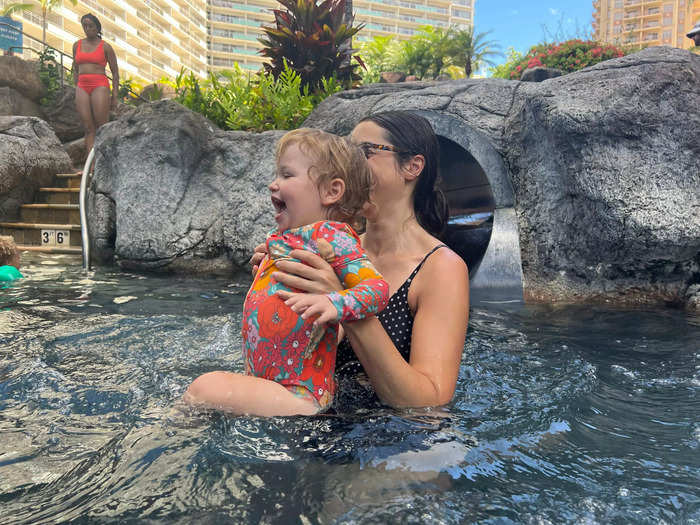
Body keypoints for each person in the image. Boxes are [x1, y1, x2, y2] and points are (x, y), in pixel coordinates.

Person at [253, 111, 469, 409]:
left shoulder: (441, 268)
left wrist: (344, 304)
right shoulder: (335, 249)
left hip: (389, 440)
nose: (348, 162)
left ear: (412, 166)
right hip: (316, 418)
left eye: (362, 152)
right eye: (346, 150)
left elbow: (428, 403)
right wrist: (274, 284)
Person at [185, 128, 389, 416]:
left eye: (286, 175)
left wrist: (334, 301)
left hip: (299, 394)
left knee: (204, 388)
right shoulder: (289, 238)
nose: (273, 184)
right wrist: (264, 273)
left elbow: (378, 290)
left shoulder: (332, 238)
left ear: (332, 191)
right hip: (271, 383)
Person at [72, 13, 119, 155]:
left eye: (90, 26)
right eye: (84, 26)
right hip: (82, 86)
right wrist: (76, 86)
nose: (87, 29)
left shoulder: (106, 47)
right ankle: (89, 166)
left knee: (102, 126)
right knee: (88, 128)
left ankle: (104, 161)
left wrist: (115, 96)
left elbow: (115, 73)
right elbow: (75, 68)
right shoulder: (77, 45)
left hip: (100, 85)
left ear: (97, 28)